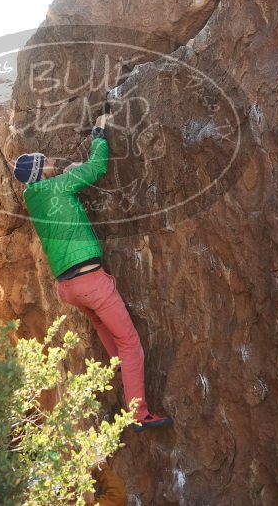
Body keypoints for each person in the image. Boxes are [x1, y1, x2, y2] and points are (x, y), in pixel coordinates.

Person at [12, 113, 173, 431]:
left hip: (69, 288)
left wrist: (64, 171)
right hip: (91, 282)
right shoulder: (56, 188)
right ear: (39, 171)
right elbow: (96, 169)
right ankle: (138, 414)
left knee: (106, 330)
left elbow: (62, 181)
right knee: (131, 345)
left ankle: (123, 376)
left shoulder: (34, 198)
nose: (51, 163)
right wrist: (99, 133)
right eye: (45, 163)